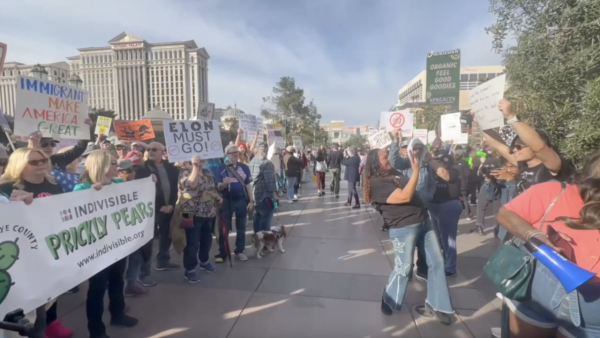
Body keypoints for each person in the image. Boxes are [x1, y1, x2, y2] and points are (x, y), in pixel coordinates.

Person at [495, 149, 600, 338]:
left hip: (593, 310)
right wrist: (534, 234)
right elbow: (505, 213)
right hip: (539, 292)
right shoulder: (554, 191)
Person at [363, 148, 454, 325]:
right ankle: (389, 298)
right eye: (384, 157)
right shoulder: (377, 182)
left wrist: (415, 158)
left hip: (423, 222)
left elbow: (410, 177)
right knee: (404, 268)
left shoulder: (393, 172)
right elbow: (404, 197)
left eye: (388, 155)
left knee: (437, 262)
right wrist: (416, 171)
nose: (388, 159)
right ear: (375, 163)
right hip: (402, 228)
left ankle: (438, 304)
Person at [0, 148, 73, 338]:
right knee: (30, 310)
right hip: (21, 257)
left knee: (48, 298)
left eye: (43, 160)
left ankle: (48, 325)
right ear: (19, 165)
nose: (41, 164)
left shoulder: (54, 184)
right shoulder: (6, 188)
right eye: (34, 162)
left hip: (50, 250)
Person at [73, 150, 139, 338]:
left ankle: (118, 314)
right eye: (112, 162)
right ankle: (96, 330)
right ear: (99, 165)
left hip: (118, 242)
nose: (116, 166)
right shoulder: (82, 188)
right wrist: (90, 195)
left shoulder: (118, 183)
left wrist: (149, 184)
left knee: (118, 280)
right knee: (98, 287)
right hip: (97, 247)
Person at [135, 142, 180, 282]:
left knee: (167, 235)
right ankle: (144, 273)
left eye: (154, 149)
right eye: (148, 149)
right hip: (152, 210)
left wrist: (172, 204)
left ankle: (163, 260)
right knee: (147, 242)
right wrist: (158, 206)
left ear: (162, 151)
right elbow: (141, 191)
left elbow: (175, 188)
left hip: (169, 207)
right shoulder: (142, 168)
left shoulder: (172, 168)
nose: (150, 151)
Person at [178, 155, 221, 282]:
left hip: (208, 212)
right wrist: (195, 167)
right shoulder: (185, 171)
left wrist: (218, 197)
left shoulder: (208, 172)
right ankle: (190, 269)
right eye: (199, 157)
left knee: (207, 240)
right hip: (189, 213)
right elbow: (191, 185)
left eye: (204, 157)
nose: (202, 159)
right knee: (191, 243)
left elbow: (212, 189)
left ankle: (204, 260)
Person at [215, 144, 254, 262]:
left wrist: (251, 201)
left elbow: (248, 185)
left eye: (237, 152)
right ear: (226, 155)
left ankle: (239, 250)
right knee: (224, 228)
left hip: (241, 200)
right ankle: (223, 252)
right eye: (233, 153)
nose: (236, 154)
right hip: (226, 200)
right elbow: (218, 187)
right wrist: (224, 184)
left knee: (241, 227)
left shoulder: (244, 167)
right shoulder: (221, 168)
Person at [429, 154, 463, 277]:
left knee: (449, 238)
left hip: (449, 204)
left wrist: (430, 160)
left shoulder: (453, 171)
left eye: (445, 163)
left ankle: (450, 266)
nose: (443, 165)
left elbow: (444, 174)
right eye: (441, 162)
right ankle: (442, 261)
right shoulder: (432, 173)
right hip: (434, 205)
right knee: (437, 237)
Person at [248, 142, 278, 233]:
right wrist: (274, 194)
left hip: (253, 195)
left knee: (256, 217)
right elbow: (270, 181)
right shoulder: (267, 163)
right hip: (265, 196)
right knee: (266, 217)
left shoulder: (252, 161)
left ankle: (257, 239)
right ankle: (265, 241)